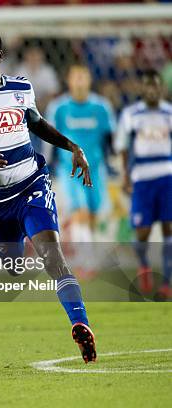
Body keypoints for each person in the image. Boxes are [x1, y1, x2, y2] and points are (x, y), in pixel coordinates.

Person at [0, 28, 96, 363]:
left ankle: (80, 324)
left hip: (31, 186)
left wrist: (72, 146)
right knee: (13, 267)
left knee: (53, 257)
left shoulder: (22, 88)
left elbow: (35, 122)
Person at [115, 69, 171, 300]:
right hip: (142, 177)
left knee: (169, 228)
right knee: (142, 231)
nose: (152, 90)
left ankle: (167, 280)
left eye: (156, 86)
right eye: (148, 86)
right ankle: (144, 265)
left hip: (167, 174)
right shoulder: (131, 114)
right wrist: (126, 177)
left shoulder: (169, 112)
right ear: (142, 89)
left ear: (162, 88)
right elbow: (123, 146)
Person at [47, 65, 116, 242]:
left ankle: (88, 255)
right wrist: (46, 164)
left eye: (82, 76)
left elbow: (110, 140)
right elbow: (49, 141)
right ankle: (83, 258)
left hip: (95, 168)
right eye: (75, 76)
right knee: (79, 210)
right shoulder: (58, 108)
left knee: (93, 212)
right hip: (70, 168)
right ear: (68, 80)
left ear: (89, 80)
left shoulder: (102, 107)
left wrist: (114, 163)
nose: (79, 81)